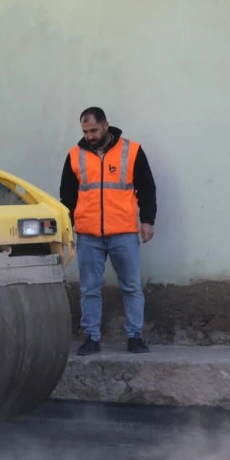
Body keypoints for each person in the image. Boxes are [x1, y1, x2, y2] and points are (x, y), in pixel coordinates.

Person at [59, 106, 157, 355]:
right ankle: (91, 338)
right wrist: (67, 230)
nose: (89, 135)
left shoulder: (131, 151)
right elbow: (67, 198)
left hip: (123, 232)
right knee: (89, 289)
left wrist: (147, 220)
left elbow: (147, 188)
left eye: (93, 130)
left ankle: (135, 337)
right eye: (85, 131)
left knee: (131, 287)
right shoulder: (75, 155)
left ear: (105, 125)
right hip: (88, 235)